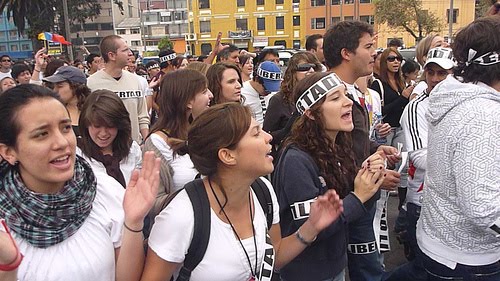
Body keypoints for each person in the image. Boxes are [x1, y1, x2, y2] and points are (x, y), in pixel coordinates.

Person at [141, 102, 344, 281]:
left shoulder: (263, 191)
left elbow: (273, 257)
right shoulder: (181, 216)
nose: (268, 137)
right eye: (256, 133)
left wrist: (311, 228)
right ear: (227, 155)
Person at [0, 84, 160, 281]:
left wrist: (133, 222)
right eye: (42, 134)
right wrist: (9, 268)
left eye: (65, 127)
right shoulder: (4, 219)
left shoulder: (104, 190)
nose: (62, 142)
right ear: (9, 152)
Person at [274, 72, 386, 281]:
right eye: (335, 98)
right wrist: (358, 196)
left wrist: (370, 177)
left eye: (345, 95)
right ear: (311, 114)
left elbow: (353, 207)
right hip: (308, 273)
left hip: (334, 265)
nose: (348, 103)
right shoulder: (296, 160)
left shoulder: (338, 144)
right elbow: (312, 227)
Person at [417, 16, 500, 280]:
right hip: (468, 258)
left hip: (442, 243)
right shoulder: (484, 113)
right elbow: (482, 206)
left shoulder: (459, 97)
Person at [324, 20, 401, 281]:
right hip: (347, 202)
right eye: (368, 46)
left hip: (359, 200)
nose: (375, 53)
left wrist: (377, 147)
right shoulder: (326, 96)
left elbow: (351, 142)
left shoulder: (351, 92)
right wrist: (375, 179)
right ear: (347, 53)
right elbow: (325, 154)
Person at [385, 47, 455, 281]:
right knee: (422, 269)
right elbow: (420, 158)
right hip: (423, 202)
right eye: (430, 72)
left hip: (452, 203)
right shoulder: (417, 107)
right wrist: (462, 158)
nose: (435, 79)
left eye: (442, 73)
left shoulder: (464, 104)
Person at [143, 69, 213, 214]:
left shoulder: (203, 132)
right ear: (188, 101)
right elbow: (153, 201)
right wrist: (195, 197)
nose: (211, 95)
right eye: (205, 91)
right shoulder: (156, 143)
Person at [87, 35, 150, 144]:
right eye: (125, 50)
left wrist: (148, 142)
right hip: (105, 150)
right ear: (112, 55)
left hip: (134, 150)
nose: (130, 53)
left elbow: (142, 116)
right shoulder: (91, 84)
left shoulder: (135, 81)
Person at [78, 90, 142, 187]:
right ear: (87, 124)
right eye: (97, 126)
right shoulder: (77, 155)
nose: (103, 133)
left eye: (110, 126)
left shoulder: (132, 150)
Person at [263, 51, 322, 158]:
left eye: (314, 67)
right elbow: (267, 136)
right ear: (293, 72)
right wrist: (288, 130)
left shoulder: (322, 98)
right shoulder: (278, 100)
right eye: (304, 67)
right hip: (290, 157)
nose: (311, 71)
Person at [42, 66, 91, 138]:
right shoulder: (53, 111)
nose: (55, 91)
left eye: (60, 86)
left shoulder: (93, 108)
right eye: (54, 87)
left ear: (75, 86)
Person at [241, 61, 282, 125]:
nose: (269, 92)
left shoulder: (274, 94)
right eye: (266, 88)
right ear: (257, 79)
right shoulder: (242, 92)